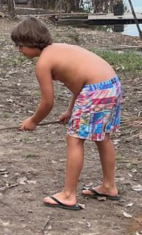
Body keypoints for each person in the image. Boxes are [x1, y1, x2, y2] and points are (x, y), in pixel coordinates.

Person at [12, 17, 122, 211]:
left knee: (75, 140)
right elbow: (79, 83)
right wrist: (71, 110)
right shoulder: (59, 49)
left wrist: (33, 121)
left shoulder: (43, 63)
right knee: (102, 136)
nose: (18, 50)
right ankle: (109, 186)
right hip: (110, 84)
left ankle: (68, 195)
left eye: (20, 45)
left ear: (31, 42)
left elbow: (47, 102)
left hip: (94, 91)